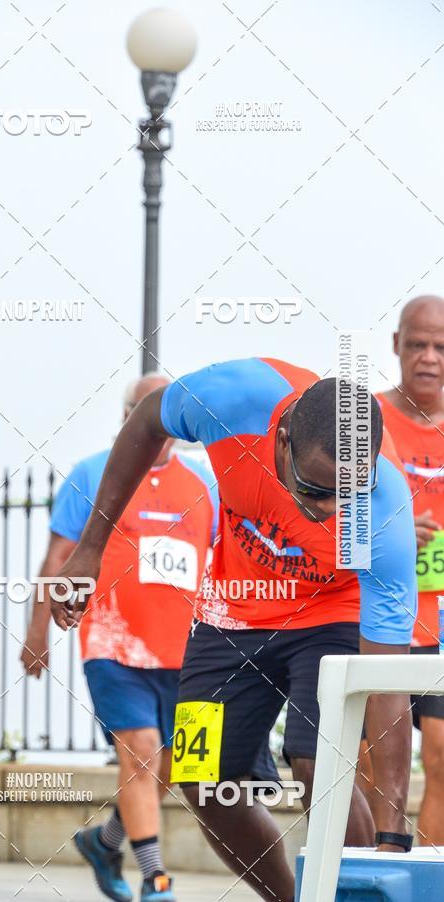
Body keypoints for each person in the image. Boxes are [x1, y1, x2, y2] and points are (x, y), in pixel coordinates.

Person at [47, 357, 418, 902]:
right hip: (232, 611)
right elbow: (148, 421)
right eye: (314, 489)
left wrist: (391, 841)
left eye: (347, 494)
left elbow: (386, 679)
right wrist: (91, 548)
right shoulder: (234, 399)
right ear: (284, 436)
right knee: (200, 775)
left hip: (331, 612)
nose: (328, 511)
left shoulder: (385, 511)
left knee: (318, 760)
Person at [21, 373, 224, 902]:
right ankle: (156, 879)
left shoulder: (205, 483)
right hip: (113, 644)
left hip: (188, 650)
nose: (154, 425)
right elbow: (57, 559)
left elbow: (223, 562)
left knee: (179, 766)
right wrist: (37, 629)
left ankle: (104, 841)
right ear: (126, 415)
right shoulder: (93, 474)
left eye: (163, 414)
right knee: (140, 751)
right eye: (142, 411)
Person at [358, 295, 444, 845]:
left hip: (437, 622)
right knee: (374, 764)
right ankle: (370, 870)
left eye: (440, 346)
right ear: (396, 345)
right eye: (417, 344)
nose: (429, 357)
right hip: (375, 619)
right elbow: (327, 512)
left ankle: (430, 878)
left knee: (441, 754)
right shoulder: (367, 417)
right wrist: (386, 533)